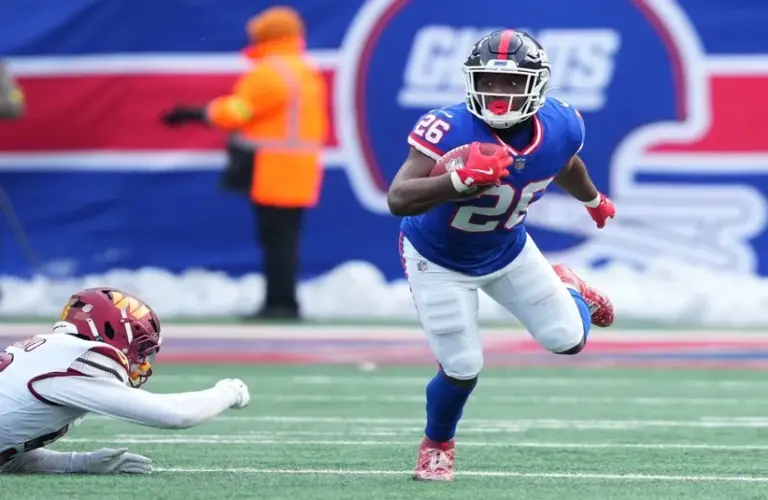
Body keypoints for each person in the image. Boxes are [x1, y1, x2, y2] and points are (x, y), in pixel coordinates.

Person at [386, 29, 617, 482]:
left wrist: (592, 201)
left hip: (508, 250)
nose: (498, 92)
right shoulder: (447, 126)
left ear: (537, 84)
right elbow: (398, 197)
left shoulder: (563, 123)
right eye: (490, 80)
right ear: (472, 80)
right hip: (438, 258)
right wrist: (457, 181)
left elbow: (566, 164)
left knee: (567, 340)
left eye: (512, 83)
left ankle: (569, 286)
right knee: (462, 366)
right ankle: (437, 446)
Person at [161, 6, 328, 321]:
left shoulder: (269, 72)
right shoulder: (305, 70)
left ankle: (279, 303)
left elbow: (236, 112)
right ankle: (284, 299)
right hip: (300, 168)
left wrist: (194, 113)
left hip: (272, 168)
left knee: (275, 239)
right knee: (286, 238)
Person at [0, 287, 250, 474]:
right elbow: (175, 415)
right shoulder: (81, 358)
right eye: (140, 348)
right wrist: (228, 391)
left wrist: (80, 461)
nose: (141, 362)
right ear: (110, 331)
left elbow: (9, 453)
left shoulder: (48, 354)